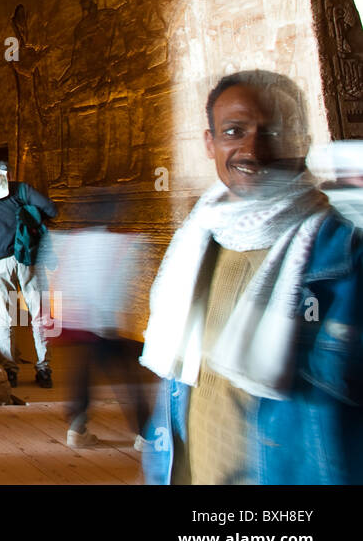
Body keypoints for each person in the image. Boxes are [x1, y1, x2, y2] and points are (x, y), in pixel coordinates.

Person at [141, 70, 363, 484]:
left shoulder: (348, 260)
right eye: (233, 131)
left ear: (303, 141)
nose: (253, 148)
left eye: (274, 132)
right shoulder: (193, 245)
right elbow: (178, 384)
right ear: (210, 143)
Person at [39, 200, 150, 449]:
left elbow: (56, 276)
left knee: (81, 375)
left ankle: (76, 428)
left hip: (74, 321)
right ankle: (145, 432)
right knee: (128, 380)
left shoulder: (70, 240)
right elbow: (124, 282)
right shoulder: (119, 242)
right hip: (104, 323)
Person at [0, 160, 58, 387]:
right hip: (27, 258)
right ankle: (44, 369)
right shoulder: (20, 190)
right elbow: (52, 209)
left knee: (5, 318)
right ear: (8, 175)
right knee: (39, 314)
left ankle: (10, 371)